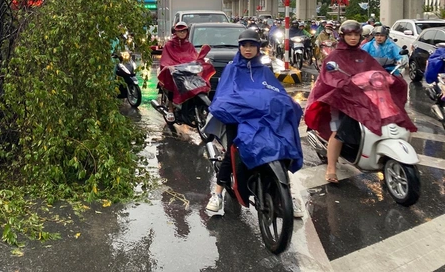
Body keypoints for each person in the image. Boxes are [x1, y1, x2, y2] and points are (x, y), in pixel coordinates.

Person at [202, 29, 304, 215]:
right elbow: (225, 95)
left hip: (263, 117)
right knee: (233, 150)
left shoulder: (264, 70)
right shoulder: (232, 69)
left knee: (282, 146)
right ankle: (217, 194)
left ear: (258, 48)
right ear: (240, 47)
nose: (248, 49)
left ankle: (287, 192)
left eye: (252, 45)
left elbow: (275, 92)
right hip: (239, 117)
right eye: (244, 45)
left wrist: (287, 104)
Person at [304, 20, 416, 184]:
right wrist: (342, 83)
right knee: (339, 131)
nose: (353, 38)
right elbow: (328, 76)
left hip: (362, 97)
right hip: (340, 98)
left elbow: (375, 70)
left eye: (356, 35)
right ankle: (331, 168)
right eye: (350, 35)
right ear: (343, 36)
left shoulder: (363, 54)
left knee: (388, 115)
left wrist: (387, 79)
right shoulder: (335, 56)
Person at [159, 21, 199, 121]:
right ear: (175, 32)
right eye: (179, 31)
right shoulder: (169, 45)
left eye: (184, 31)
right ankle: (171, 109)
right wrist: (170, 67)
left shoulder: (189, 45)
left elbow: (195, 56)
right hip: (174, 72)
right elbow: (165, 59)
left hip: (187, 70)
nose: (182, 33)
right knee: (173, 82)